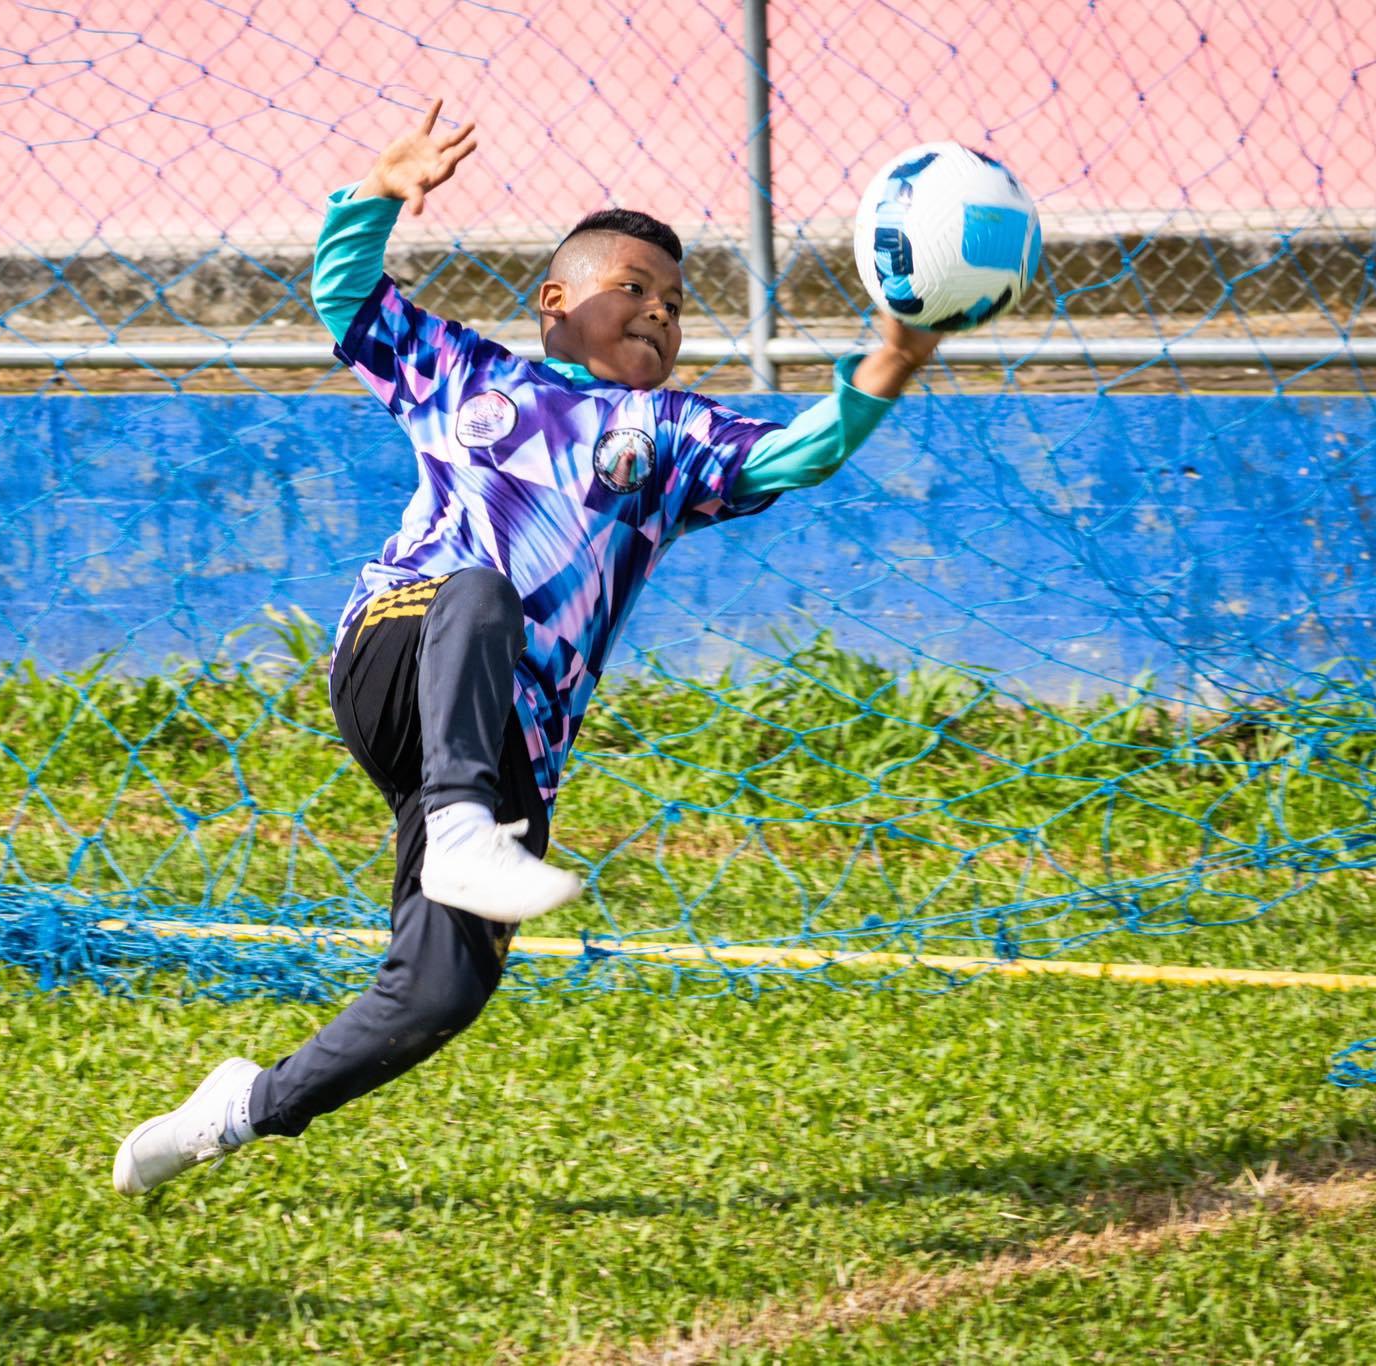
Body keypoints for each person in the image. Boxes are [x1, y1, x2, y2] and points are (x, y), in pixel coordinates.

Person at [114, 99, 940, 1196]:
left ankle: (234, 1111)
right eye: (634, 288)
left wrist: (890, 359)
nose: (659, 312)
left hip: (509, 743)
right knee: (480, 589)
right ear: (556, 302)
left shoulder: (675, 439)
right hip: (399, 652)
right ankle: (458, 824)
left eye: (675, 305)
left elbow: (798, 451)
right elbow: (345, 295)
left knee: (439, 994)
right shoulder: (467, 377)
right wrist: (377, 191)